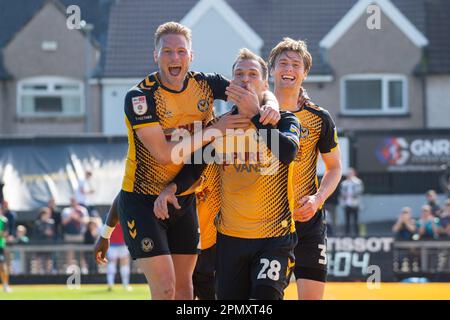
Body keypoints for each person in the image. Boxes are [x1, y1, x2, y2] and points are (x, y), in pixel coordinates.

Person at [93, 22, 280, 300]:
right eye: (167, 51)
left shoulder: (204, 84)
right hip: (143, 200)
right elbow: (165, 154)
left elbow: (252, 88)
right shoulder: (140, 97)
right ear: (155, 55)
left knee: (184, 291)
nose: (175, 58)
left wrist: (271, 105)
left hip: (184, 199)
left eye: (181, 51)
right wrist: (215, 129)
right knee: (166, 288)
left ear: (191, 56)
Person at [155, 48, 301, 300]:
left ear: (265, 83)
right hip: (231, 239)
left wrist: (256, 115)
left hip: (274, 238)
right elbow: (194, 167)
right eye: (239, 74)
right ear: (231, 84)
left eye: (253, 74)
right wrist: (171, 189)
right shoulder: (220, 127)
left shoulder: (285, 120)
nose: (245, 79)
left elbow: (287, 153)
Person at [266, 38, 342, 300]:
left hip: (307, 220)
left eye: (296, 64)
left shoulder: (319, 118)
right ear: (271, 69)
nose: (289, 69)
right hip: (266, 223)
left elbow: (334, 168)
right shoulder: (256, 113)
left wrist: (318, 199)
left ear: (305, 73)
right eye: (283, 63)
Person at [106, 223, 132, 292]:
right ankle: (125, 285)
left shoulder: (109, 217)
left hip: (113, 245)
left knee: (112, 263)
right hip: (122, 244)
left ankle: (110, 284)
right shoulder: (123, 215)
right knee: (124, 264)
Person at [340, 168, 364, 236]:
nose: (349, 175)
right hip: (347, 203)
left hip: (355, 203)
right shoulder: (344, 183)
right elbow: (342, 192)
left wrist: (351, 194)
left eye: (350, 173)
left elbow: (359, 191)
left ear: (354, 174)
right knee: (347, 220)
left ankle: (357, 234)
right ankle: (347, 234)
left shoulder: (357, 182)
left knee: (356, 220)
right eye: (348, 173)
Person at [0, 206, 11, 292]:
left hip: (1, 246)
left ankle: (5, 284)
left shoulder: (4, 220)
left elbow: (5, 233)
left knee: (2, 266)